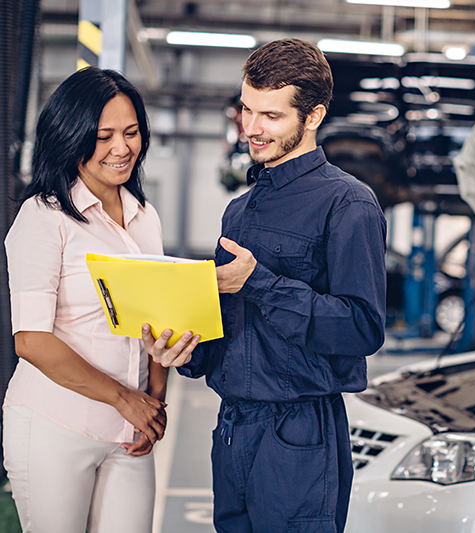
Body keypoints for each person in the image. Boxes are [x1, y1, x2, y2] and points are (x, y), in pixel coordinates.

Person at [143, 38, 387, 533]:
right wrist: (183, 350)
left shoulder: (349, 204)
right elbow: (226, 333)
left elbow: (362, 329)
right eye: (247, 110)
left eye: (271, 116)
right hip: (232, 430)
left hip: (299, 439)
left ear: (313, 116)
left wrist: (260, 283)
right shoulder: (240, 208)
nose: (252, 129)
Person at [2, 66, 188, 533]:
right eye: (103, 136)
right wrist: (126, 399)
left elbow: (156, 317)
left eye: (131, 133)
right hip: (53, 426)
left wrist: (154, 401)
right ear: (71, 136)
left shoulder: (145, 218)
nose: (121, 148)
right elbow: (31, 340)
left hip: (128, 433)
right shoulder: (43, 217)